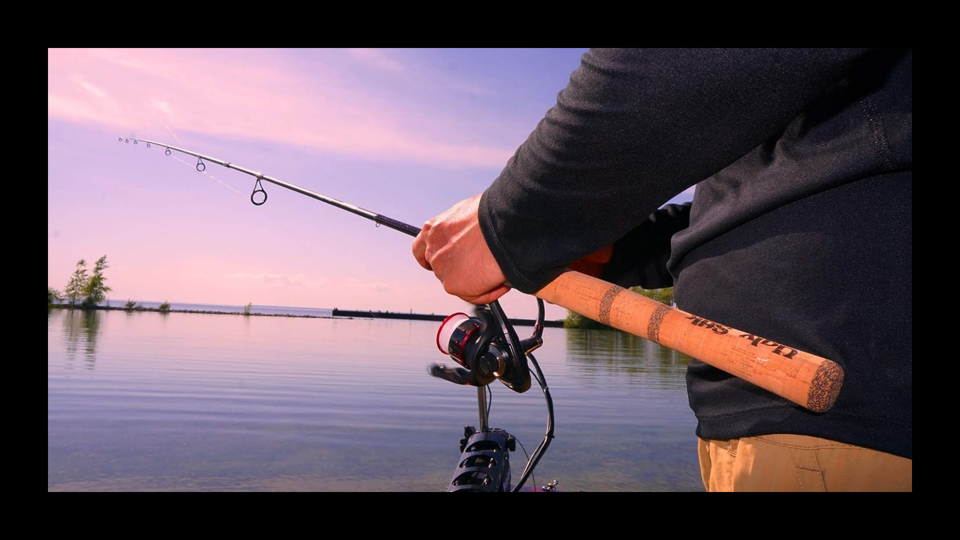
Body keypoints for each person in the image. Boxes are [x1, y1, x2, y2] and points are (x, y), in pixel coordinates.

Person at [411, 48, 911, 492]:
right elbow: (729, 206)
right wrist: (616, 252)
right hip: (783, 429)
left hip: (841, 423)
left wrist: (509, 220)